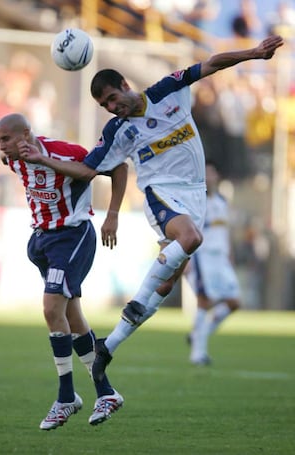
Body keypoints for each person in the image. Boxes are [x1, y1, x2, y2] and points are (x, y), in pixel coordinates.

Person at [17, 35, 283, 385]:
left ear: (125, 86)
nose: (112, 108)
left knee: (166, 283)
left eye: (113, 98)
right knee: (190, 238)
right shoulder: (117, 131)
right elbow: (88, 171)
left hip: (195, 195)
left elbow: (212, 63)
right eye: (105, 105)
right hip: (161, 195)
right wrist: (43, 160)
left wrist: (254, 54)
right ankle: (115, 335)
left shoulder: (167, 91)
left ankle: (107, 347)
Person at [0, 113, 127, 430]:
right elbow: (9, 161)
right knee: (72, 317)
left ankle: (66, 396)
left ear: (26, 134)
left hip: (72, 236)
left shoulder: (64, 152)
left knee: (52, 307)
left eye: (6, 139)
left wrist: (112, 215)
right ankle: (106, 392)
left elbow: (118, 167)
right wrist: (14, 153)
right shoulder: (12, 159)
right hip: (43, 241)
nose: (1, 146)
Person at [185, 160, 241, 365]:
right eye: (205, 173)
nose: (209, 177)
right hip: (203, 257)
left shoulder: (223, 202)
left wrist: (230, 255)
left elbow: (225, 232)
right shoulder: (196, 203)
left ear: (217, 176)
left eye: (211, 173)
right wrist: (187, 259)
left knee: (234, 302)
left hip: (222, 259)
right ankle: (198, 354)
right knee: (205, 301)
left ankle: (198, 334)